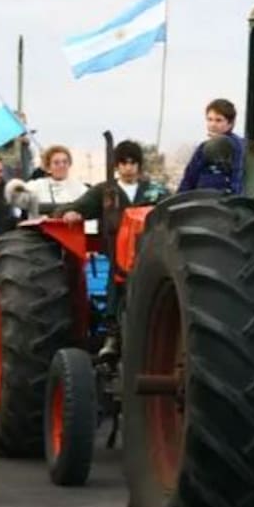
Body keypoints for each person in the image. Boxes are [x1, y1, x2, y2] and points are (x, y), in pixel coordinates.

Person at [55, 140, 168, 358]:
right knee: (116, 289)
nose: (128, 167)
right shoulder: (105, 191)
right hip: (117, 253)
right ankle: (112, 336)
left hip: (149, 253)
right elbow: (76, 207)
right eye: (124, 163)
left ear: (139, 166)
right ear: (117, 165)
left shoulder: (155, 192)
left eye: (133, 163)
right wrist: (71, 213)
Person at [177, 98, 246, 194]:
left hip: (219, 202)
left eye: (218, 120)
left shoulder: (234, 145)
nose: (212, 124)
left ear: (230, 124)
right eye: (209, 119)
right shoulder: (203, 147)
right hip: (199, 200)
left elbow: (237, 178)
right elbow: (189, 179)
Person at [4, 145, 91, 217]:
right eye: (56, 163)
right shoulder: (37, 185)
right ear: (48, 167)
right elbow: (14, 197)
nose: (62, 165)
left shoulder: (79, 188)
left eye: (65, 162)